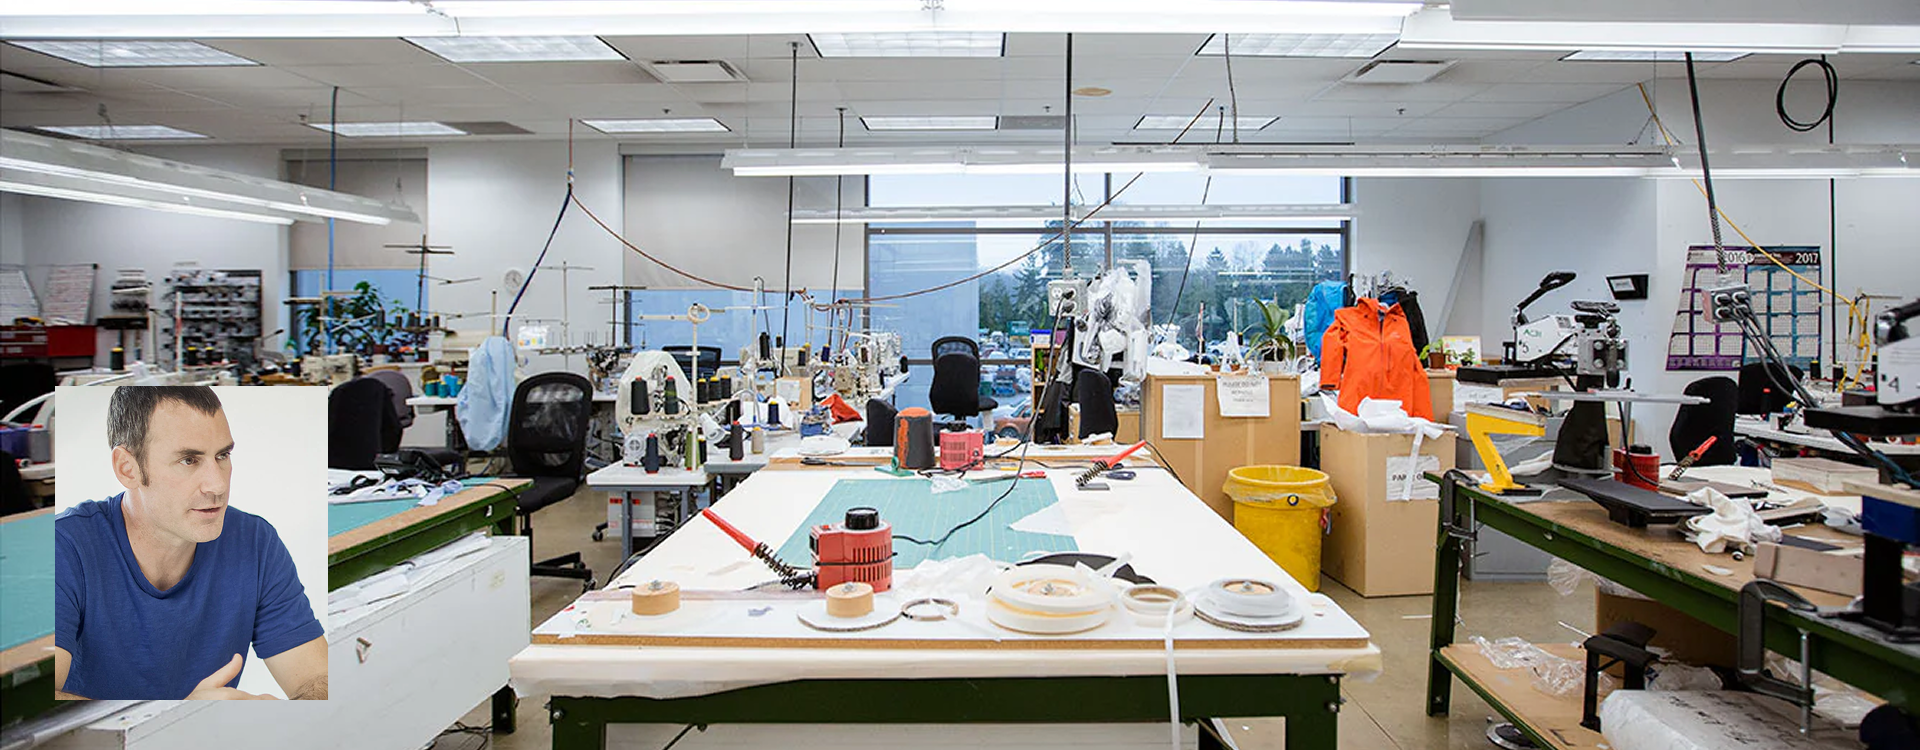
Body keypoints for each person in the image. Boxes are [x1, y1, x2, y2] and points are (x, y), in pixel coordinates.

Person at [55, 386, 327, 700]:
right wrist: (178, 719)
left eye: (223, 456)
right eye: (188, 460)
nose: (217, 485)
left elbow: (318, 680)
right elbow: (39, 712)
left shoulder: (255, 542)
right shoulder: (65, 548)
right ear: (127, 468)